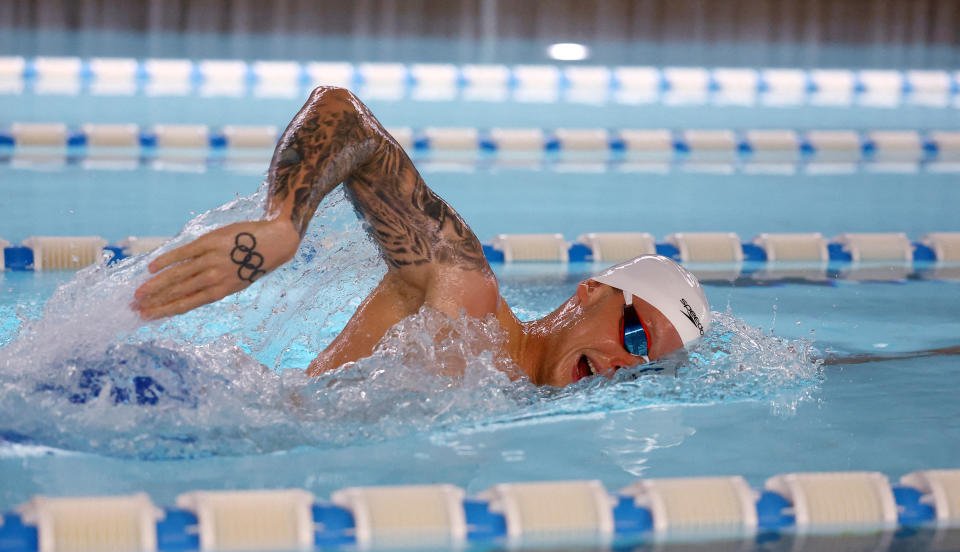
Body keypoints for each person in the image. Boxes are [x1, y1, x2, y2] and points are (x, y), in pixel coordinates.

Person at [133, 87, 710, 387]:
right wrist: (284, 223)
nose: (624, 365)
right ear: (588, 292)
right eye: (634, 334)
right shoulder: (468, 300)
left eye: (648, 367)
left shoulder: (514, 400)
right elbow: (346, 116)